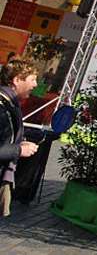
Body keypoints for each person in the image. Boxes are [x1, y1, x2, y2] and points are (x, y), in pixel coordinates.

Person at [0, 57, 38, 217]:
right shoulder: (2, 106)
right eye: (32, 79)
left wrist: (21, 143)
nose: (35, 85)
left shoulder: (10, 104)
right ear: (16, 80)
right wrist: (19, 150)